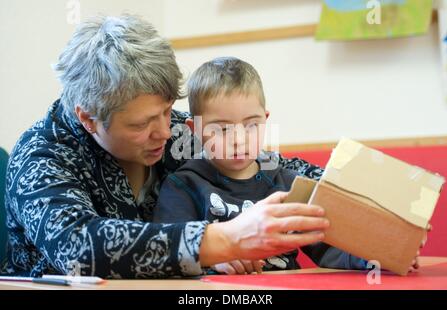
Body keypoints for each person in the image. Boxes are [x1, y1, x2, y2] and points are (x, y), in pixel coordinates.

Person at [0, 15, 332, 279]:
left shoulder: (178, 129)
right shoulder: (41, 155)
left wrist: (346, 184)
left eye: (168, 110)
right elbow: (79, 247)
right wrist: (222, 242)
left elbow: (276, 167)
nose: (165, 131)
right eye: (141, 124)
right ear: (89, 119)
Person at [154, 57, 371, 274]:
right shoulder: (182, 186)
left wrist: (372, 258)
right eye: (222, 129)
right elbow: (169, 255)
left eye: (251, 125)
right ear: (195, 129)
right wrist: (210, 261)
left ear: (265, 119)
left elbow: (328, 246)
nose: (239, 139)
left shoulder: (287, 182)